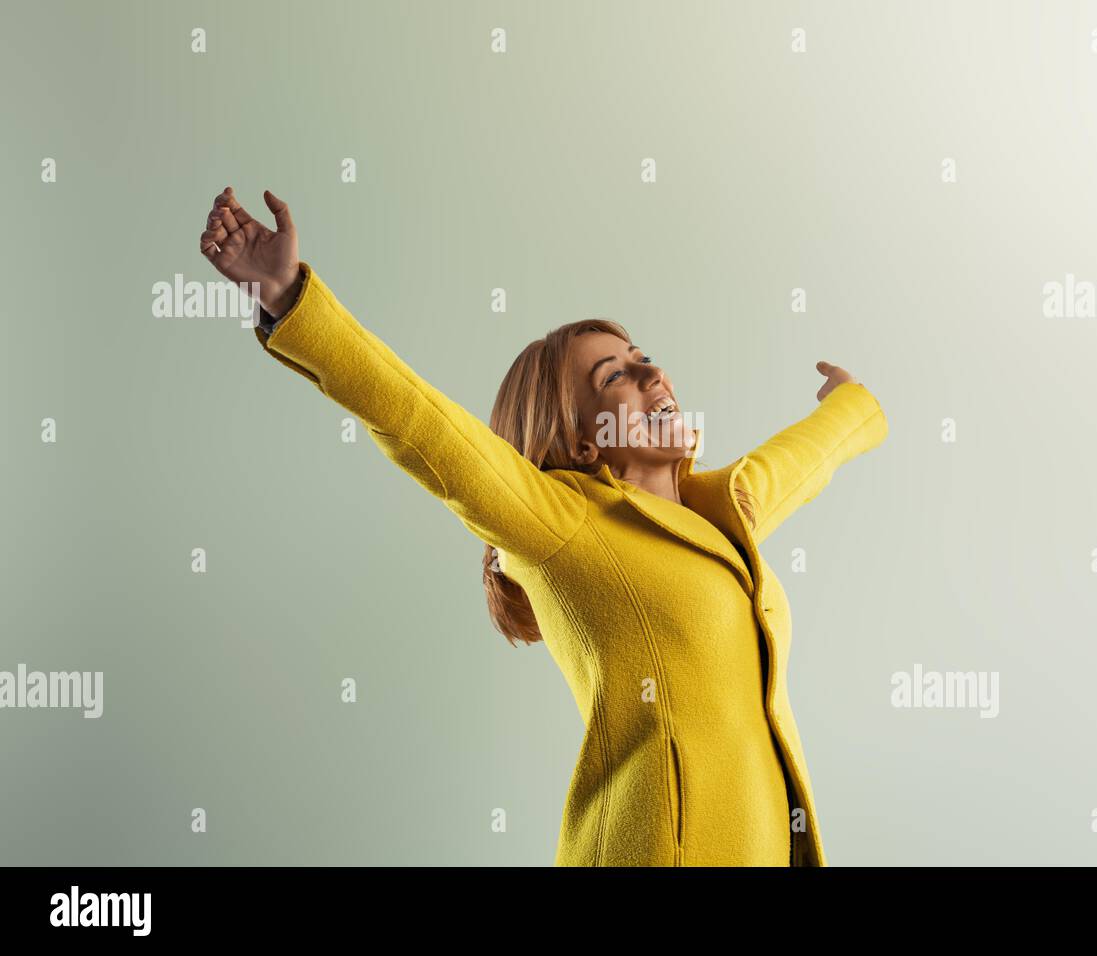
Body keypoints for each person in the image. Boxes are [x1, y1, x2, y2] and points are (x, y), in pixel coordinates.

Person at [199, 186, 889, 866]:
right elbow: (421, 425)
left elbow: (810, 456)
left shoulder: (726, 512)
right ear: (583, 442)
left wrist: (851, 403)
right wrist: (290, 297)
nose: (651, 373)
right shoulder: (564, 522)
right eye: (617, 376)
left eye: (644, 357)